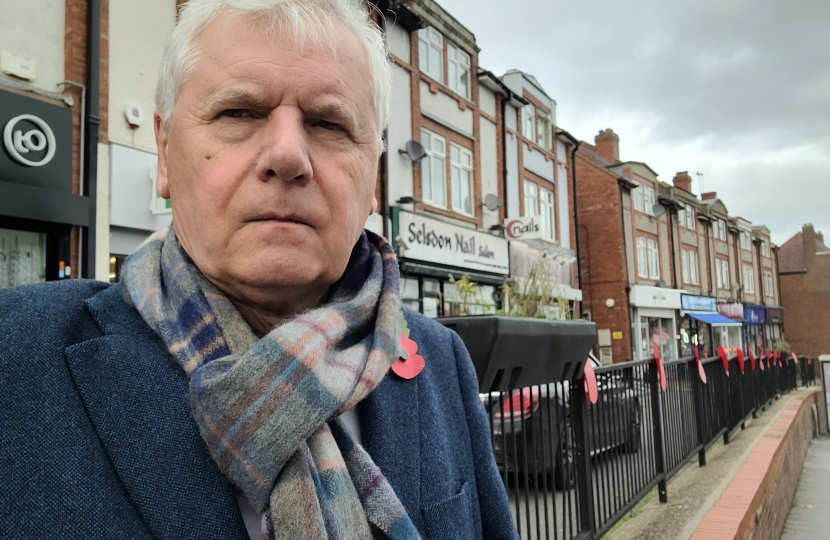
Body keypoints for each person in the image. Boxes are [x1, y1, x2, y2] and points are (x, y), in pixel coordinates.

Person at [0, 0, 517, 539]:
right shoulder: (14, 357)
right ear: (165, 149)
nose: (288, 154)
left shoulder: (441, 362)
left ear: (372, 184)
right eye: (238, 113)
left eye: (329, 122)